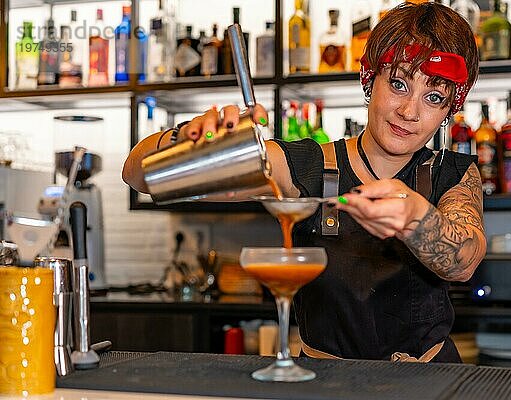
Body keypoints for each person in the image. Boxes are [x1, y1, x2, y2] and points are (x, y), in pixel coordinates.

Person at [123, 2, 486, 363]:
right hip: (324, 381)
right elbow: (139, 175)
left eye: (434, 97)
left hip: (426, 380)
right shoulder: (309, 165)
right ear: (369, 79)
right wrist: (189, 144)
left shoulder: (452, 173)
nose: (409, 111)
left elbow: (464, 260)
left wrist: (415, 219)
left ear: (449, 110)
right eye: (398, 83)